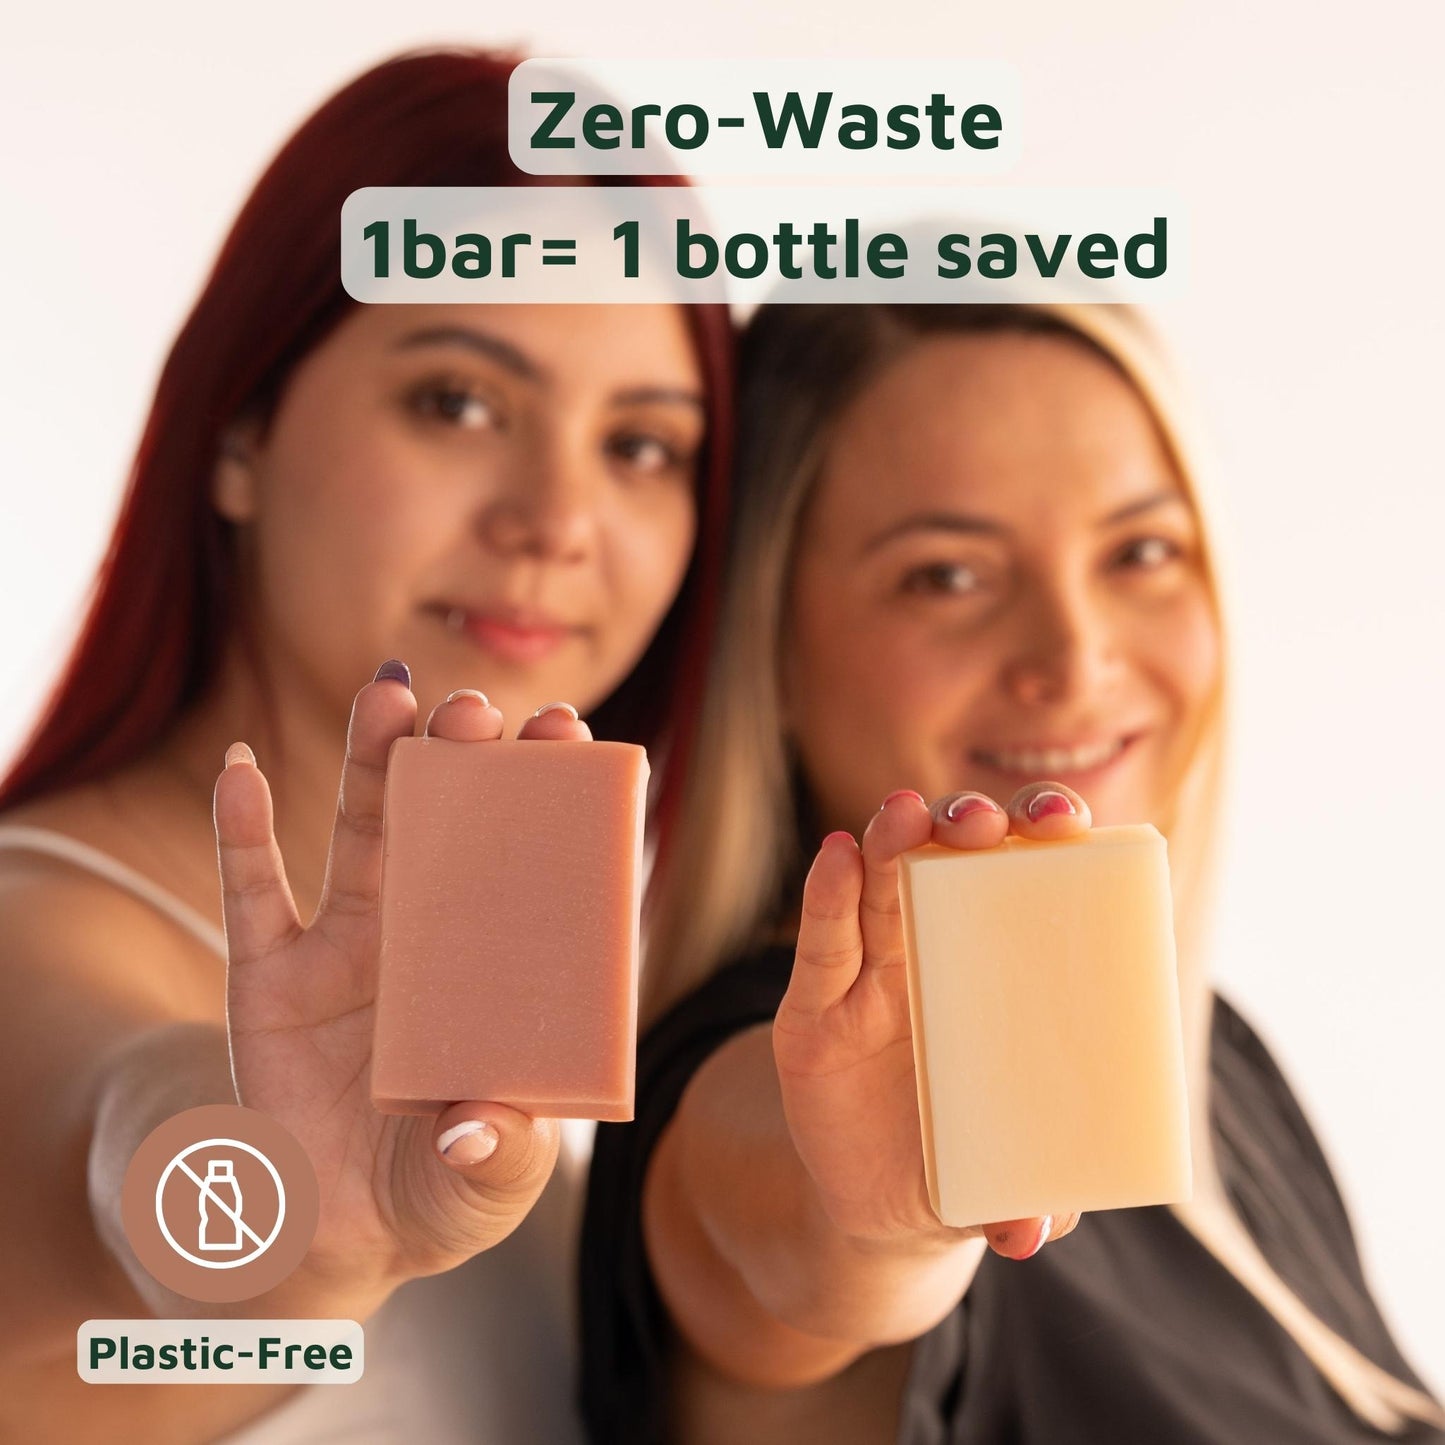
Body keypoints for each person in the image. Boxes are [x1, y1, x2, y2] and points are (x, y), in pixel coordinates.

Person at [0, 48, 733, 1443]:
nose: (557, 517)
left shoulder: (501, 1026)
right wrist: (291, 1217)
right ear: (239, 431)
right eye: (459, 400)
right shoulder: (33, 934)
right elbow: (129, 1140)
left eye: (642, 444)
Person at [580, 302, 1445, 1443]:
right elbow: (778, 1229)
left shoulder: (1208, 1053)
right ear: (768, 645)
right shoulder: (749, 1066)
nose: (1074, 652)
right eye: (944, 575)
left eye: (1138, 549)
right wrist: (882, 1224)